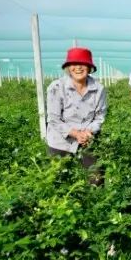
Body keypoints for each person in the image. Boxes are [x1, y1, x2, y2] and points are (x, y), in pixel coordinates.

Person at [46, 47, 107, 185]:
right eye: (74, 64)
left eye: (83, 64)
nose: (78, 67)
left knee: (96, 179)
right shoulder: (56, 87)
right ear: (68, 67)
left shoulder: (98, 88)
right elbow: (54, 119)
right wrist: (75, 133)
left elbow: (100, 116)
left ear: (90, 67)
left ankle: (94, 204)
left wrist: (87, 133)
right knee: (59, 181)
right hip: (60, 140)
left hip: (87, 139)